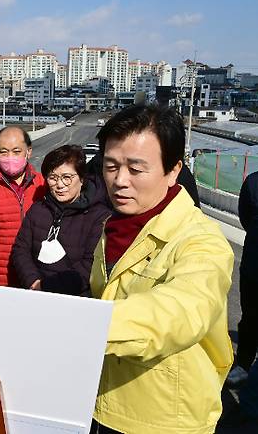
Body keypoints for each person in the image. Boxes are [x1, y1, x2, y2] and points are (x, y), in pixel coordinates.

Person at [89, 105, 234, 433]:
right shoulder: (115, 226)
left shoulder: (201, 240)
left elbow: (182, 311)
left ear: (173, 171)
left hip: (165, 419)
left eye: (136, 169)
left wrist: (85, 326)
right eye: (110, 166)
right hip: (104, 402)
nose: (119, 181)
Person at [11, 145, 110, 296]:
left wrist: (46, 287)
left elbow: (90, 264)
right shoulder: (38, 210)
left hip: (76, 299)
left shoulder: (99, 216)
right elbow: (20, 249)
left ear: (82, 179)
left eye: (67, 177)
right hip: (35, 294)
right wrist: (33, 282)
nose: (60, 184)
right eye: (53, 177)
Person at [0, 126, 46, 287]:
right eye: (4, 152)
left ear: (29, 152)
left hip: (38, 280)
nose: (10, 157)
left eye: (16, 151)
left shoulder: (43, 185)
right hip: (0, 280)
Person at [227, 170, 258, 385]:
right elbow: (245, 218)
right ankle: (244, 364)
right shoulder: (253, 182)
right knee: (249, 318)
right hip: (253, 268)